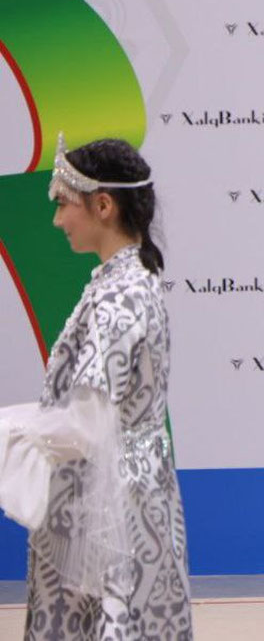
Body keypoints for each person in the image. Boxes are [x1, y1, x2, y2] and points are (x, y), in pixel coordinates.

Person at [0, 134, 193, 640]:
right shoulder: (131, 281)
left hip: (112, 512)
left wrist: (8, 431)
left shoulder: (119, 298)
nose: (57, 219)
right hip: (138, 495)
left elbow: (86, 427)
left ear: (103, 206)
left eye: (64, 203)